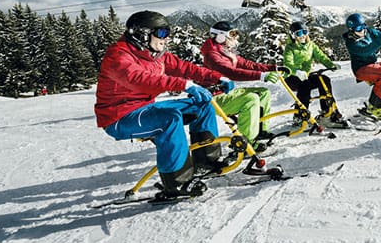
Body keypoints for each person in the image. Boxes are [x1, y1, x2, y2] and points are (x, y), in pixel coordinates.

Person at [94, 11, 235, 198]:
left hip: (145, 108)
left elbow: (185, 68)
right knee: (169, 119)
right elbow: (140, 80)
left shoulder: (155, 54)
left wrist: (217, 77)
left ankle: (206, 161)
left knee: (202, 104)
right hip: (119, 117)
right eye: (161, 33)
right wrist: (184, 85)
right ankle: (177, 183)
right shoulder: (118, 56)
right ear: (142, 34)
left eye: (168, 33)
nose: (166, 39)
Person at [200, 21, 283, 151]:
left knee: (263, 93)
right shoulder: (212, 55)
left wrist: (273, 68)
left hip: (225, 93)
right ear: (220, 36)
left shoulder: (225, 51)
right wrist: (261, 76)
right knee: (250, 99)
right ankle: (245, 143)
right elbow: (230, 72)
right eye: (232, 34)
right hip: (214, 98)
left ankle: (259, 130)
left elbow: (248, 64)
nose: (235, 37)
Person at [282, 21, 348, 128]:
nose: (303, 35)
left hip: (306, 75)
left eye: (304, 32)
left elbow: (321, 57)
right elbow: (288, 64)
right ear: (293, 35)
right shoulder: (290, 48)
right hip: (292, 77)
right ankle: (300, 116)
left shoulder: (311, 45)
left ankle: (327, 112)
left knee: (324, 79)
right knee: (305, 85)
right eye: (299, 33)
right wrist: (297, 72)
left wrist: (331, 65)